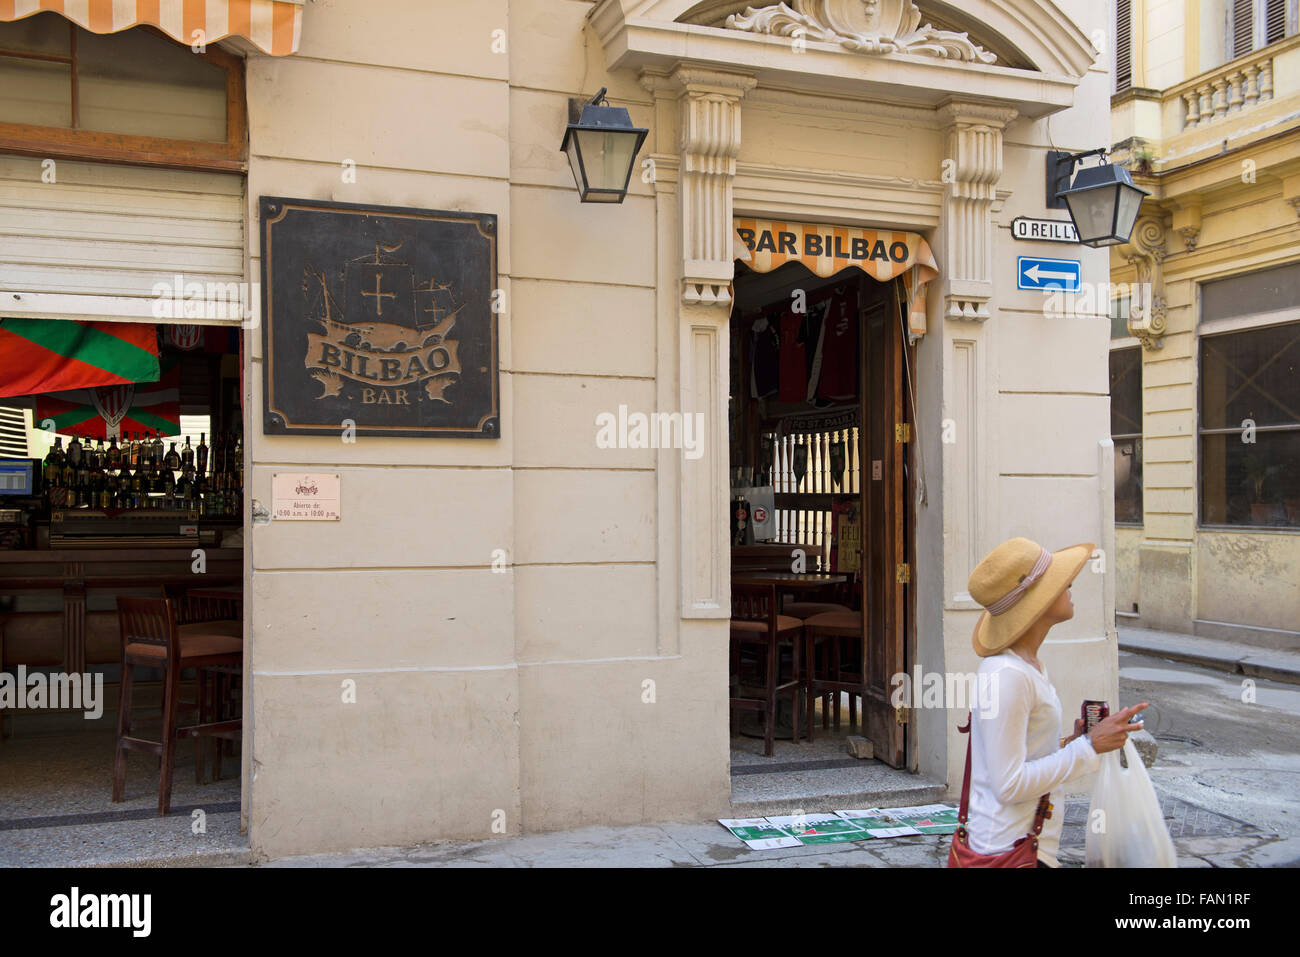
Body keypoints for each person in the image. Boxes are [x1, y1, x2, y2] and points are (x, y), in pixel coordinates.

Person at [964, 537, 1148, 867]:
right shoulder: (1009, 674)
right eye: (1060, 583)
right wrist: (1089, 746)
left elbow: (1019, 752)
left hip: (1023, 844)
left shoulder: (1026, 666)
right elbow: (1009, 784)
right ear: (1039, 601)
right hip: (1009, 850)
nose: (1070, 584)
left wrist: (1071, 743)